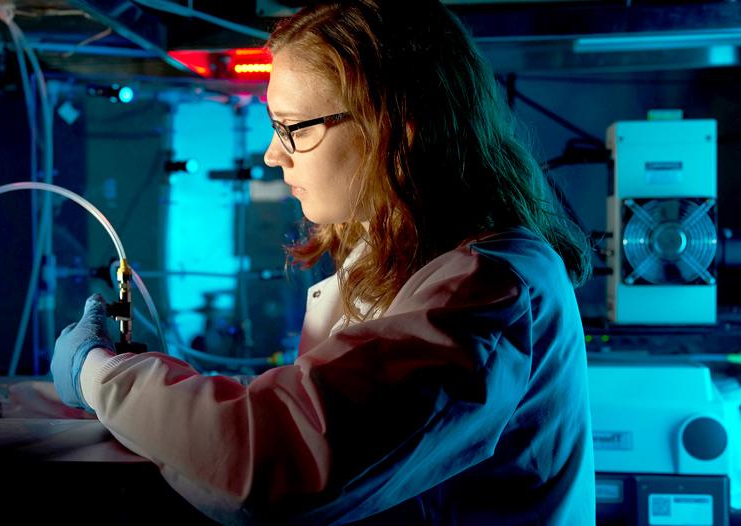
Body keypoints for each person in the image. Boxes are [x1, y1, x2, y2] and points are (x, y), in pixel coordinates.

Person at [51, 1, 596, 524]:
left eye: (295, 126)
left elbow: (272, 460)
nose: (272, 152)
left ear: (397, 125)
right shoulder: (401, 260)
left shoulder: (487, 289)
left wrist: (100, 374)